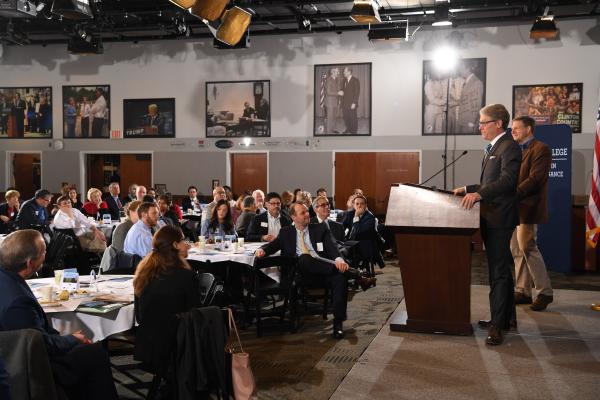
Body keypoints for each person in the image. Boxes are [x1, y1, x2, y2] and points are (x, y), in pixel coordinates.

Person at [0, 229, 118, 400]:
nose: (46, 254)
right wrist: (72, 339)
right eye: (43, 252)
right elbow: (38, 345)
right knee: (94, 353)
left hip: (14, 354)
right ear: (29, 263)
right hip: (28, 364)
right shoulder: (18, 302)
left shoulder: (6, 279)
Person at [453, 104, 521, 346]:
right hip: (491, 217)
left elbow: (507, 181)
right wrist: (468, 189)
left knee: (499, 272)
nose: (479, 126)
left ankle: (497, 325)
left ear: (498, 123)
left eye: (484, 122)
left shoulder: (509, 146)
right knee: (499, 268)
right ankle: (506, 318)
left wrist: (479, 195)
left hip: (500, 218)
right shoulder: (494, 147)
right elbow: (489, 181)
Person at [255, 202, 375, 339]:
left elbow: (332, 248)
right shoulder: (286, 232)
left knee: (339, 277)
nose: (307, 214)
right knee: (305, 258)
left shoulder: (319, 228)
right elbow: (272, 246)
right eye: (303, 213)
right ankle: (356, 274)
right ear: (293, 217)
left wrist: (339, 260)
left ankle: (338, 324)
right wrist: (262, 250)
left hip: (323, 271)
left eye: (307, 211)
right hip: (299, 275)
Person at [133, 225, 199, 376]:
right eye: (183, 240)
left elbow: (140, 315)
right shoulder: (186, 277)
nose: (187, 244)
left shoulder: (144, 272)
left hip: (147, 343)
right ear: (175, 245)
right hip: (177, 346)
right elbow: (194, 316)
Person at [510, 116, 554, 311]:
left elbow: (535, 179)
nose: (513, 132)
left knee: (528, 247)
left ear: (529, 129)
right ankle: (523, 291)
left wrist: (513, 194)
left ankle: (545, 292)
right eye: (512, 129)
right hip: (512, 208)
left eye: (517, 128)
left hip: (528, 207)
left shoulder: (541, 149)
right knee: (516, 249)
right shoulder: (514, 149)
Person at [456, 60, 484, 134]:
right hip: (462, 121)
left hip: (468, 123)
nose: (459, 70)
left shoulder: (476, 82)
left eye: (461, 68)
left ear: (467, 68)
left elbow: (476, 105)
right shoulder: (467, 82)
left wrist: (471, 123)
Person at [339, 67, 360, 134]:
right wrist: (340, 100)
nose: (343, 73)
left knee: (353, 118)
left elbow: (357, 93)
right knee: (346, 118)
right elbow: (342, 91)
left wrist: (354, 103)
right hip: (344, 103)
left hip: (352, 103)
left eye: (345, 71)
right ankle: (348, 128)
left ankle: (354, 131)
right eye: (344, 71)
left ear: (349, 72)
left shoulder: (355, 80)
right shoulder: (344, 80)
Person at [324, 67, 342, 134]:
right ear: (333, 72)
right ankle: (328, 132)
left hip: (335, 102)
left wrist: (340, 94)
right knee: (330, 118)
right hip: (330, 102)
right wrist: (338, 93)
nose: (338, 73)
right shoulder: (329, 79)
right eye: (337, 72)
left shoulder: (336, 79)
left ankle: (333, 129)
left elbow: (337, 90)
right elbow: (328, 92)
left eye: (338, 72)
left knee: (334, 117)